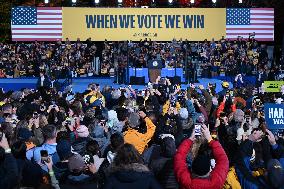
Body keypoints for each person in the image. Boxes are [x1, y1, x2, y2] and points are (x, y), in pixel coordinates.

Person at [174, 125, 229, 189]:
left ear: (191, 169)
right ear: (209, 170)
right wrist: (210, 139)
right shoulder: (216, 182)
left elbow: (179, 157)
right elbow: (223, 159)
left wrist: (190, 139)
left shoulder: (184, 180)